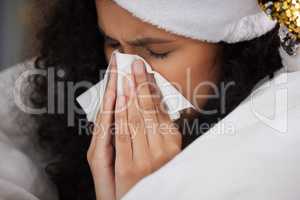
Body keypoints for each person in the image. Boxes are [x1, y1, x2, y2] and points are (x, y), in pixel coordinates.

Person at [0, 0, 299, 199]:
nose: (124, 72)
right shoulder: (27, 127)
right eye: (113, 44)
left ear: (233, 52)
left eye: (157, 52)